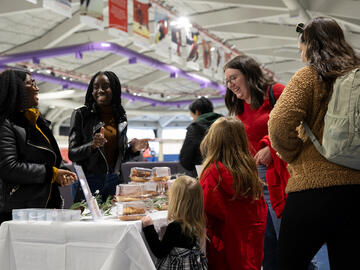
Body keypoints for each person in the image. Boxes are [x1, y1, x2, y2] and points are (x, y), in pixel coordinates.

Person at [268, 17, 360, 270]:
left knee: (289, 263)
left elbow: (278, 122)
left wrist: (292, 153)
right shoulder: (356, 76)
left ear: (309, 44)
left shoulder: (309, 76)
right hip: (355, 191)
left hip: (312, 191)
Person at [223, 55, 287, 269]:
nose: (231, 84)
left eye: (234, 77)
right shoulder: (240, 108)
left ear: (249, 74)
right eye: (227, 81)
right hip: (256, 183)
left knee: (289, 242)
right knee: (265, 246)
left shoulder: (275, 92)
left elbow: (302, 122)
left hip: (282, 177)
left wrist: (273, 146)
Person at [0, 69, 77, 225]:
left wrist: (62, 172)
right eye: (31, 83)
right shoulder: (5, 124)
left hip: (42, 208)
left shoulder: (38, 122)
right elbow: (9, 167)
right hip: (16, 213)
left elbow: (50, 158)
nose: (37, 88)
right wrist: (52, 174)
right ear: (17, 88)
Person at [68, 71, 150, 202]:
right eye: (95, 87)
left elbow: (119, 158)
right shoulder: (81, 115)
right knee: (87, 221)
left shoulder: (121, 118)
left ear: (114, 89)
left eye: (105, 86)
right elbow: (72, 153)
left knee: (114, 219)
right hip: (89, 180)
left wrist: (134, 149)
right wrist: (92, 145)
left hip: (114, 180)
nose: (100, 90)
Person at [200, 116, 267, 270]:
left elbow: (202, 212)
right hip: (249, 252)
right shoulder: (250, 172)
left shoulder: (212, 174)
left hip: (222, 252)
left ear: (213, 141)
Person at [141, 175, 208, 270]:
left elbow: (159, 251)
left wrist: (149, 228)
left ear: (176, 200)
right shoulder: (198, 222)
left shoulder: (175, 227)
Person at [179, 97, 222, 177]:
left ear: (197, 112)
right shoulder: (226, 124)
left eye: (193, 116)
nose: (193, 119)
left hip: (203, 176)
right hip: (226, 175)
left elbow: (186, 160)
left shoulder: (195, 128)